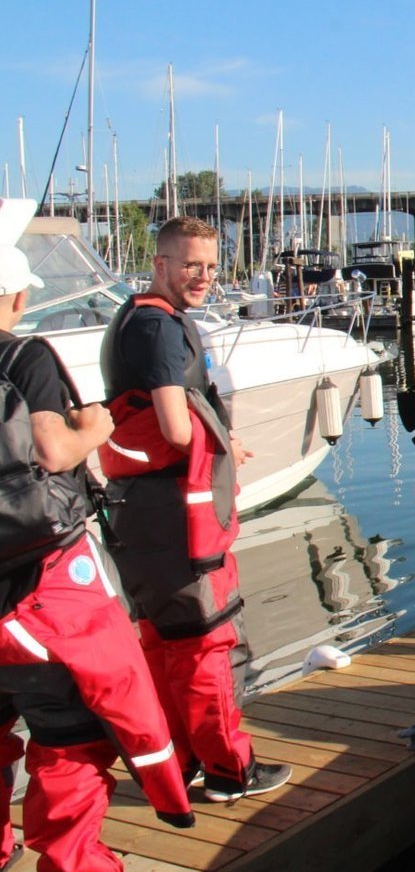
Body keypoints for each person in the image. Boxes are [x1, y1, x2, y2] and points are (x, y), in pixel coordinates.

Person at [0, 198, 193, 872]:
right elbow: (53, 450)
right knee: (70, 737)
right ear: (17, 296)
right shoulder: (25, 355)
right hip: (33, 587)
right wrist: (96, 425)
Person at [100, 216, 291, 803]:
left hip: (139, 515)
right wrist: (222, 443)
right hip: (176, 519)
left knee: (161, 641)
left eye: (211, 265)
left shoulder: (130, 318)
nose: (204, 276)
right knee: (205, 644)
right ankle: (231, 771)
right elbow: (175, 426)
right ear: (159, 264)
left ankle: (178, 763)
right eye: (190, 265)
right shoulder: (159, 329)